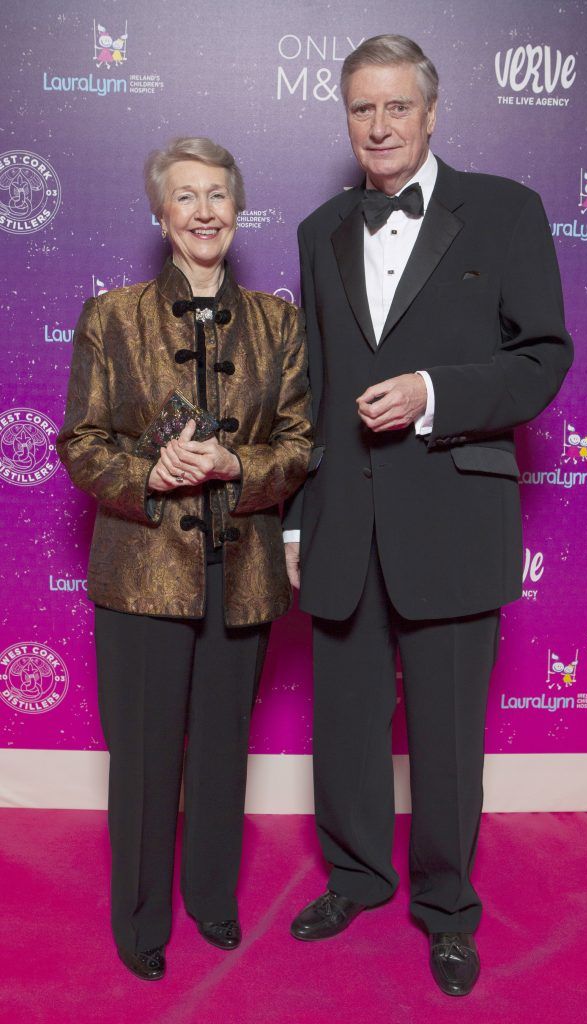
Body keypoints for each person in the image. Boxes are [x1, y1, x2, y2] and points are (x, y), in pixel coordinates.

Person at [283, 35, 573, 997]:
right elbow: (313, 389)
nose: (378, 126)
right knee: (348, 725)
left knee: (448, 735)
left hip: (450, 515)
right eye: (361, 109)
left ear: (432, 111)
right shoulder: (321, 224)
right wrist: (292, 521)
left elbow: (542, 358)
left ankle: (447, 910)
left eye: (395, 107)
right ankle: (358, 877)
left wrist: (431, 393)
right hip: (340, 523)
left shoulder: (505, 210)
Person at [58, 137, 312, 980]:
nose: (203, 211)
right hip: (141, 573)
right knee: (140, 755)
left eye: (216, 196)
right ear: (160, 215)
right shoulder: (112, 316)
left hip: (238, 576)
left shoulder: (279, 324)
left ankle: (211, 899)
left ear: (236, 212)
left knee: (220, 750)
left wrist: (239, 465)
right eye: (185, 197)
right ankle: (139, 922)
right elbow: (82, 443)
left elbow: (301, 444)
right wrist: (148, 472)